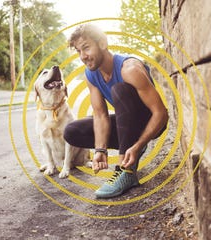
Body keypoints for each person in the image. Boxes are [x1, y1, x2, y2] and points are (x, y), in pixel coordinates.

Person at [64, 24, 169, 199]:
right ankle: (128, 151)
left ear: (103, 43)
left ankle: (126, 171)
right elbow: (100, 115)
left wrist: (138, 145)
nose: (83, 56)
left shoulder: (130, 69)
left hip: (150, 122)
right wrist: (100, 150)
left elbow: (161, 114)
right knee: (71, 131)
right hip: (127, 122)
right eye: (78, 51)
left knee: (119, 90)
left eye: (86, 48)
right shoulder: (91, 74)